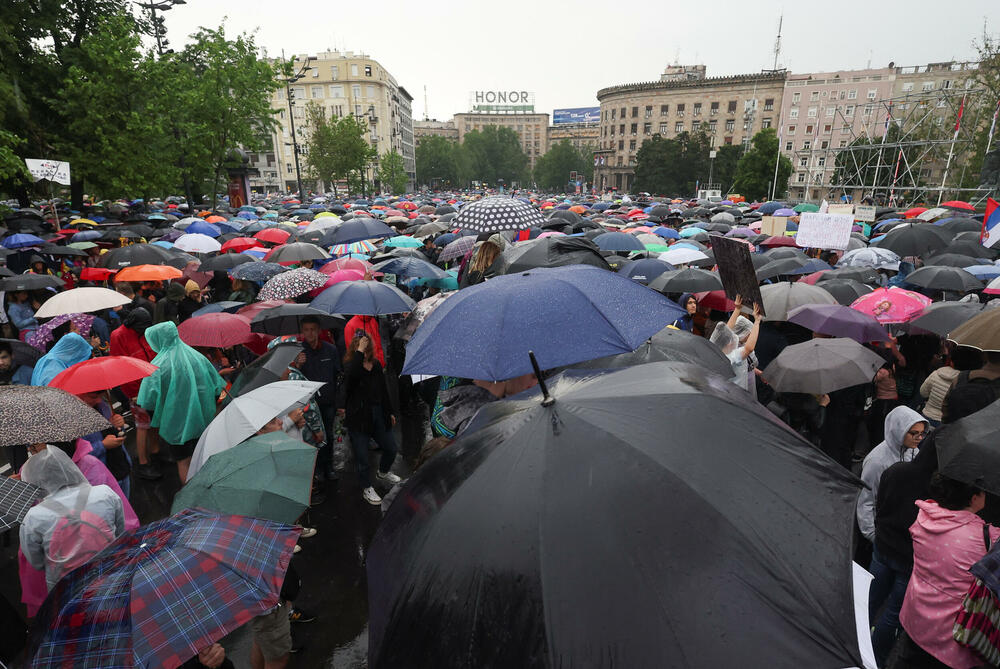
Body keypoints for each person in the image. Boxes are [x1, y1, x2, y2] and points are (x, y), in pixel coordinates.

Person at [891, 474, 999, 669]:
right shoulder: (987, 538)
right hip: (951, 640)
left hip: (916, 620)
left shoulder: (925, 516)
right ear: (973, 498)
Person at [19, 446, 125, 591]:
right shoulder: (104, 493)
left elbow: (36, 562)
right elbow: (120, 532)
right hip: (110, 570)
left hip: (66, 586)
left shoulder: (33, 517)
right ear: (68, 467)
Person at [137, 321, 225, 483]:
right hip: (204, 419)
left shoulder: (157, 366)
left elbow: (147, 402)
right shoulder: (198, 357)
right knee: (205, 455)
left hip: (176, 424)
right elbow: (217, 386)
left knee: (184, 461)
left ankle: (191, 498)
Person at [342, 330, 401, 506]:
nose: (365, 349)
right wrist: (359, 352)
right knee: (362, 458)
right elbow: (352, 378)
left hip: (378, 413)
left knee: (391, 448)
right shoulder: (350, 365)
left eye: (366, 345)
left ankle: (383, 472)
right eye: (360, 345)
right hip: (359, 417)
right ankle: (366, 487)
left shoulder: (375, 365)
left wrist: (389, 412)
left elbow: (383, 391)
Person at [857, 406, 927, 544]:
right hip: (881, 533)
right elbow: (866, 501)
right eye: (914, 433)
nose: (919, 438)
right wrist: (873, 536)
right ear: (898, 431)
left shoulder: (913, 450)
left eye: (922, 433)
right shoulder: (876, 461)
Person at [109, 307, 161, 480]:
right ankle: (143, 463)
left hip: (152, 384)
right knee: (143, 425)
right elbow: (121, 366)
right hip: (136, 390)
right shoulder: (118, 335)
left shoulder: (145, 331)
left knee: (155, 422)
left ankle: (155, 453)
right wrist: (132, 393)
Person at [296, 317, 341, 481]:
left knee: (327, 435)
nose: (310, 333)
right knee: (311, 437)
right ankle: (317, 469)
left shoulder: (330, 350)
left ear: (319, 330)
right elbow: (294, 380)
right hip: (309, 405)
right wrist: (298, 365)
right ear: (302, 331)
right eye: (306, 329)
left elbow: (338, 375)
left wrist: (339, 402)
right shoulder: (299, 352)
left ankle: (328, 467)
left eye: (313, 329)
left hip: (328, 402)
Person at [709, 296, 761, 393]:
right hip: (735, 397)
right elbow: (748, 348)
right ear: (729, 343)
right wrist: (757, 321)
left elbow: (727, 331)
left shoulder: (714, 349)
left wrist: (737, 309)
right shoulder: (731, 357)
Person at [918, 358, 960, 427]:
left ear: (952, 362)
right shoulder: (963, 382)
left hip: (927, 416)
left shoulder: (936, 373)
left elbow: (923, 393)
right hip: (946, 423)